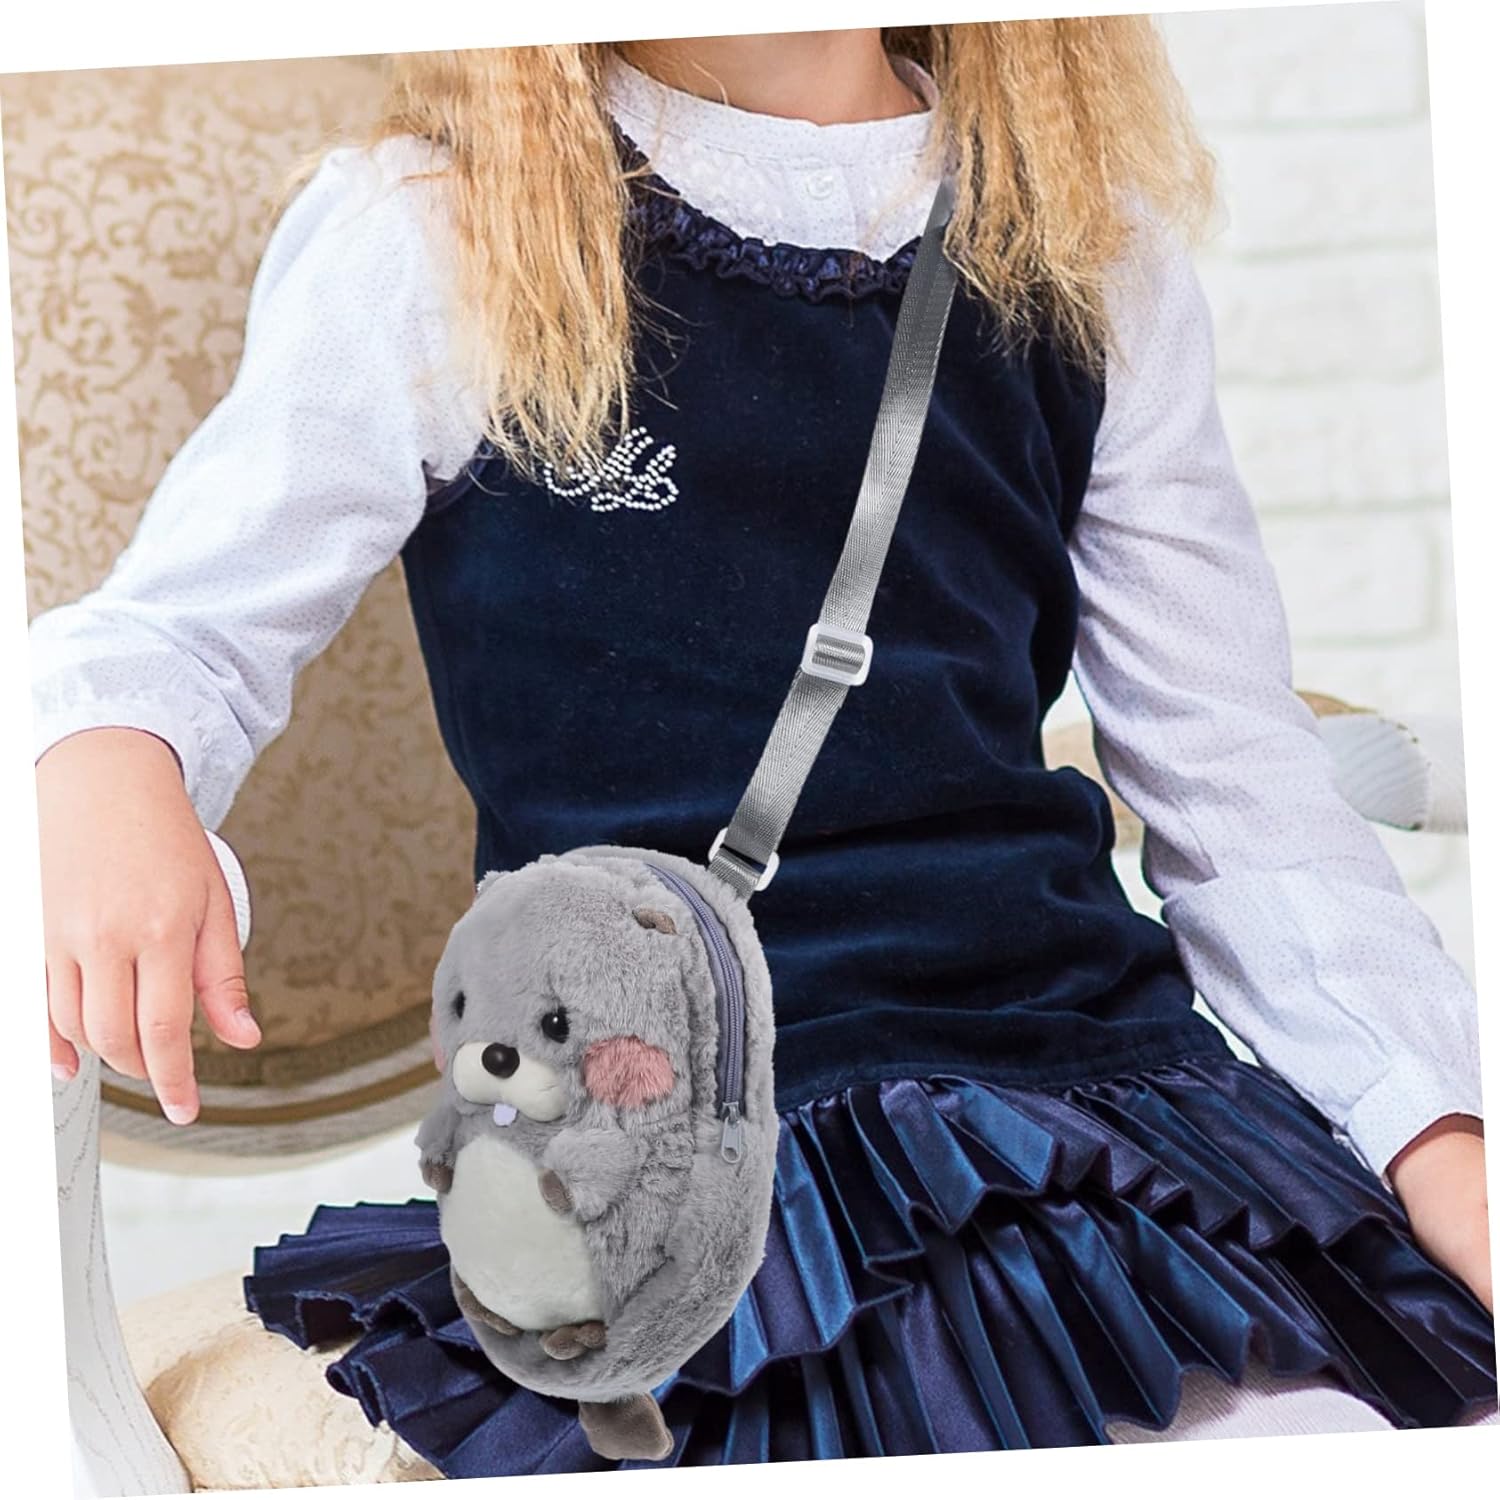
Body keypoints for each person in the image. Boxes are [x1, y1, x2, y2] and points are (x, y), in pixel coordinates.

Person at [31, 22, 1496, 1474]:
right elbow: (174, 635)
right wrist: (111, 757)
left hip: (1091, 1081)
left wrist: (1434, 1131)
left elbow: (1236, 773)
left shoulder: (1080, 241)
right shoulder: (436, 230)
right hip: (687, 1131)